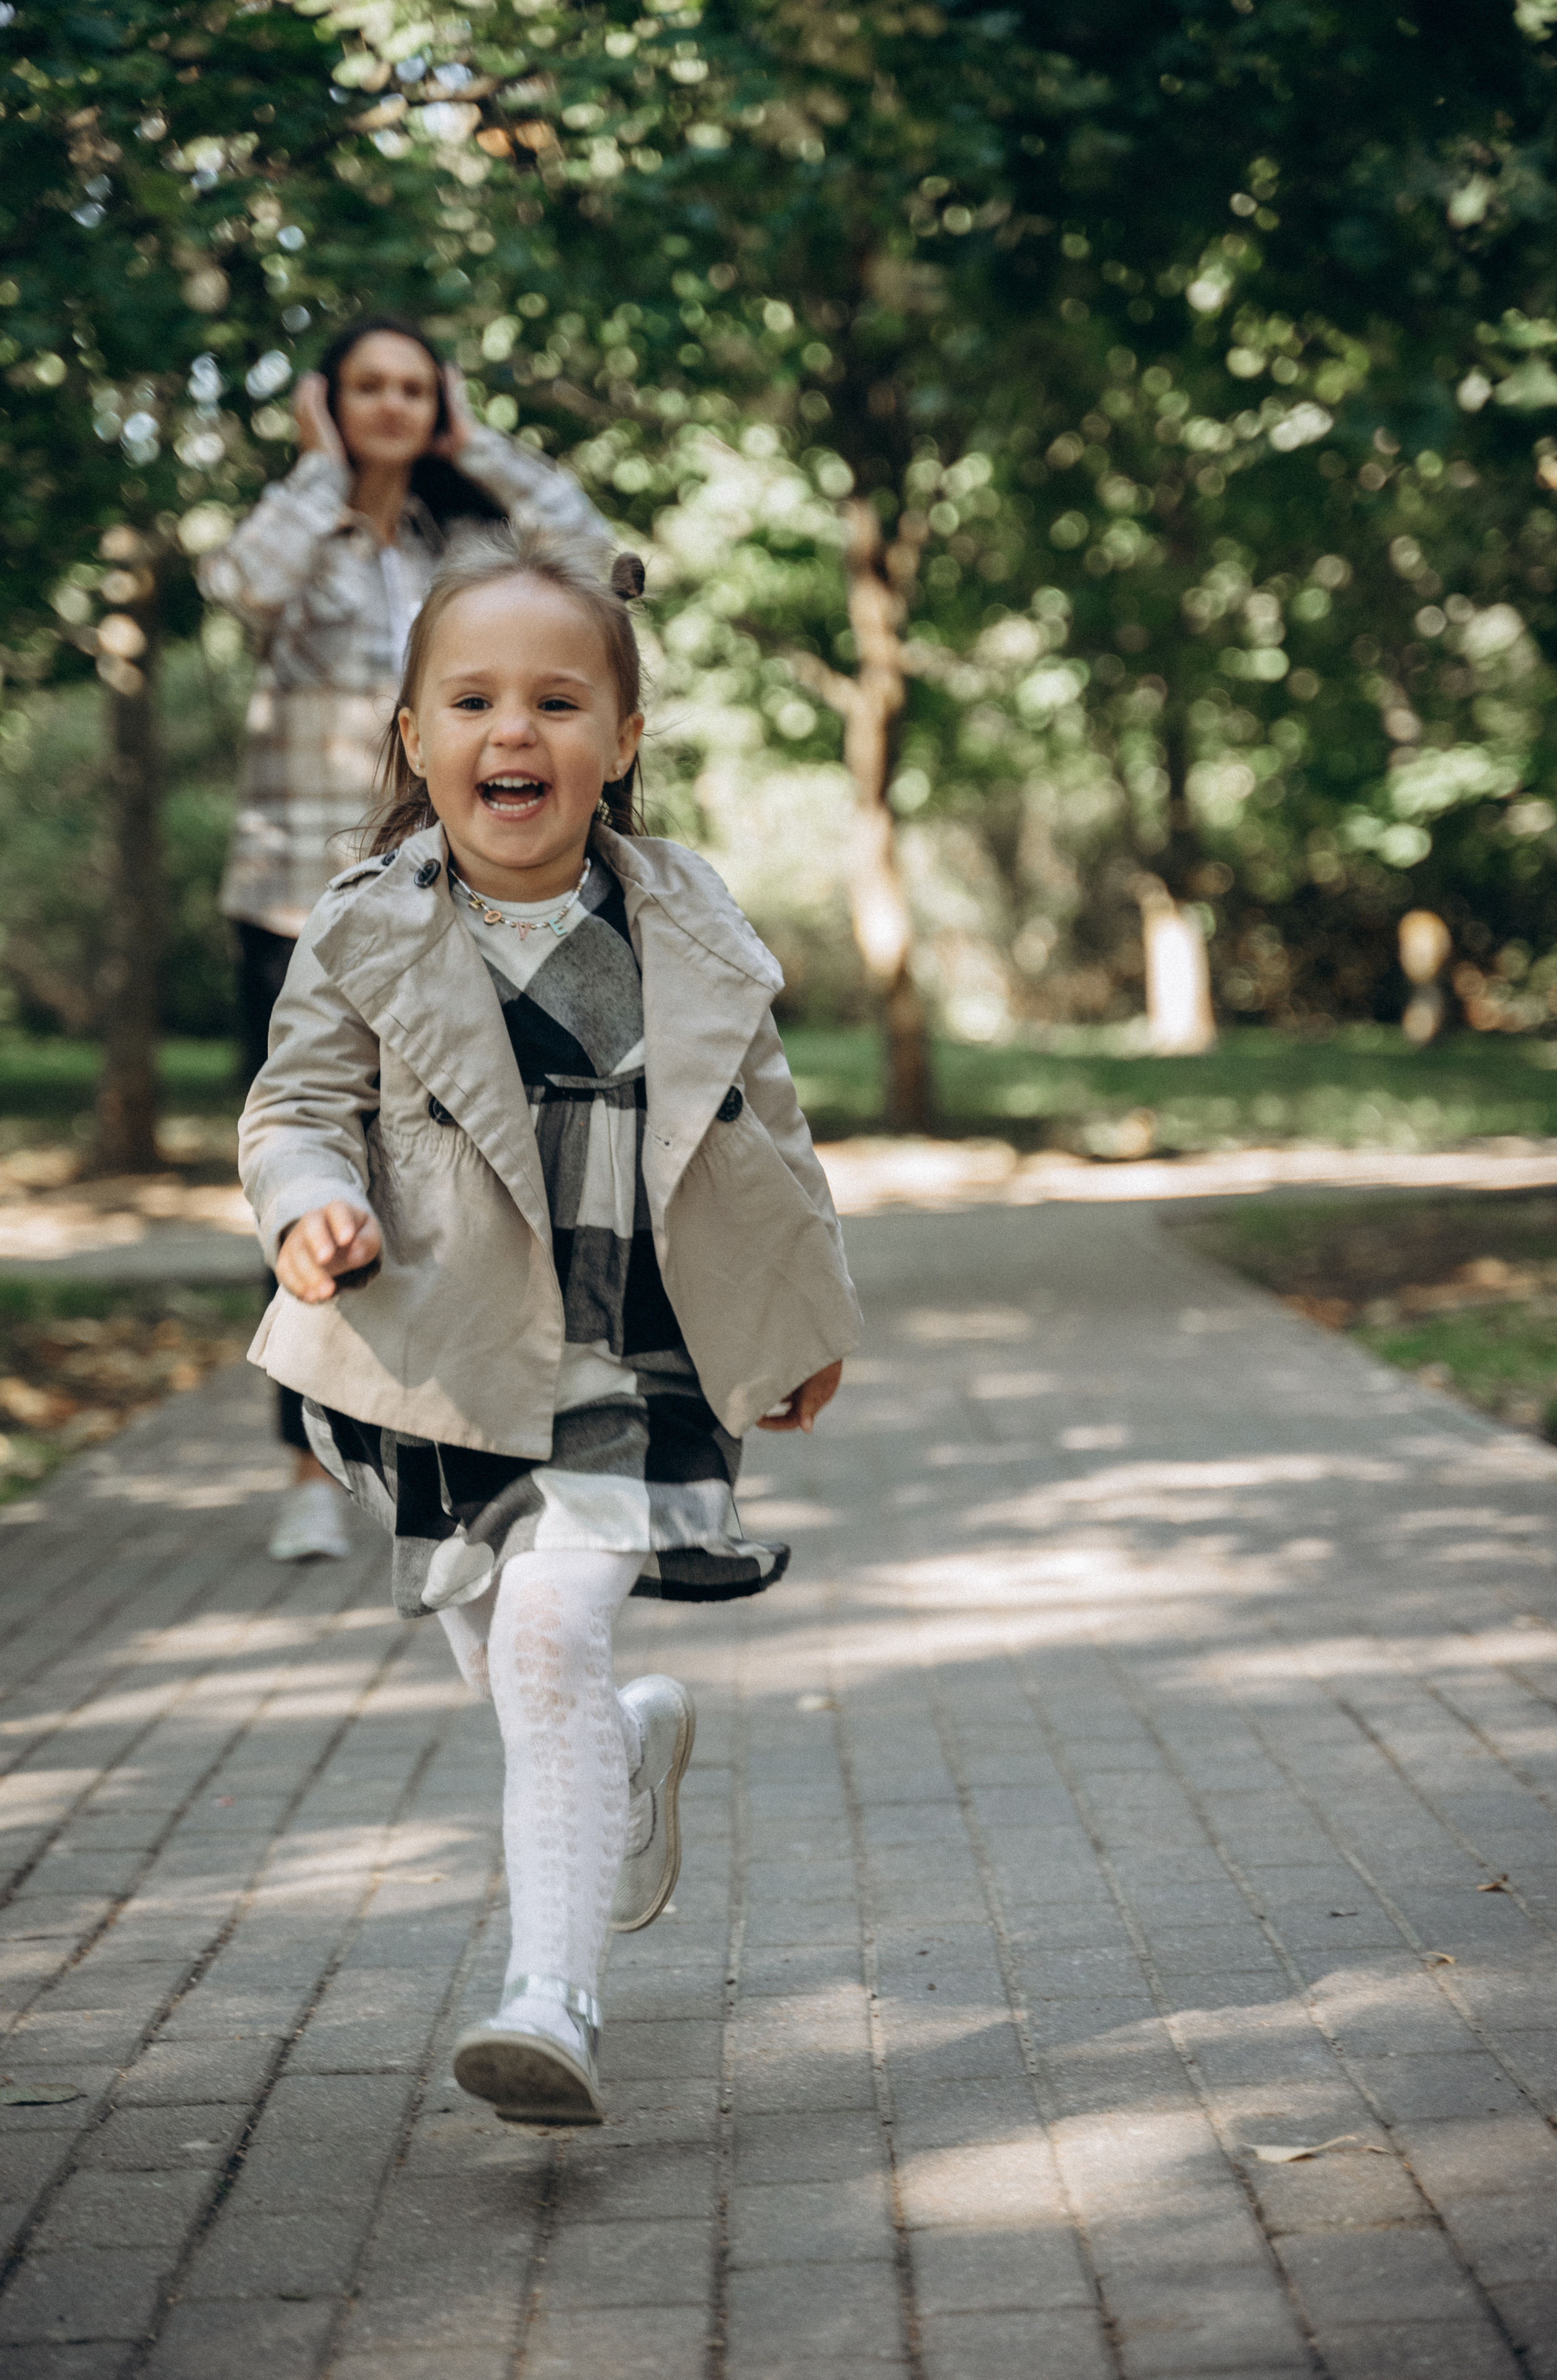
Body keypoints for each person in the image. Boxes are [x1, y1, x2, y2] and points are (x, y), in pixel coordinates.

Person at [236, 526, 862, 2125]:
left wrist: (806, 1312)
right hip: (445, 1354)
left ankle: (550, 1998)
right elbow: (294, 1108)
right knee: (520, 1669)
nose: (512, 730)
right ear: (415, 739)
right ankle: (627, 1748)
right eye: (472, 701)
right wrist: (309, 1204)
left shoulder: (685, 922)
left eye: (558, 702)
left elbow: (770, 1131)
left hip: (638, 1346)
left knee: (543, 1636)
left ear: (621, 742)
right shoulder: (364, 927)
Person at [201, 313, 605, 1562]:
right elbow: (238, 585)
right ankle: (306, 1467)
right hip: (297, 895)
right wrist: (321, 469)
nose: (392, 405)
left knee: (461, 1172)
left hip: (445, 895)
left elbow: (594, 564)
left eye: (415, 388)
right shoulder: (302, 536)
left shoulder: (464, 546)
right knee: (308, 1166)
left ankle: (455, 1439)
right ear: (329, 403)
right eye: (367, 387)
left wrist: (481, 447)